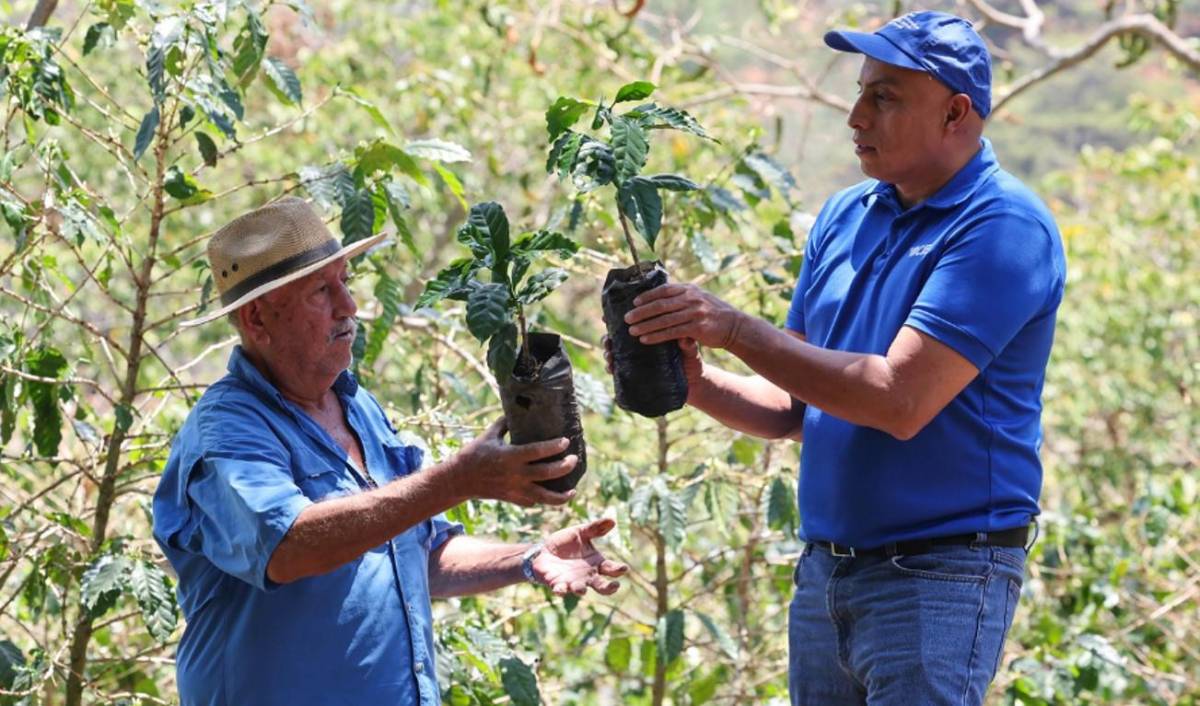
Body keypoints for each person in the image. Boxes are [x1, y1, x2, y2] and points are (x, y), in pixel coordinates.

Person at [614, 11, 1066, 706]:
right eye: (860, 92)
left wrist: (732, 327)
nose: (855, 116)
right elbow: (799, 409)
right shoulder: (847, 216)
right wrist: (694, 380)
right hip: (828, 576)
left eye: (884, 97)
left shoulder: (1002, 227)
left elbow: (896, 401)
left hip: (940, 575)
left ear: (955, 114)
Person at [152, 197, 628, 706]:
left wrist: (529, 559)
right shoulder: (227, 431)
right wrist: (457, 480)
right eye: (320, 291)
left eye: (345, 280)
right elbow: (290, 547)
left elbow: (413, 554)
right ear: (257, 319)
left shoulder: (356, 406)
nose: (348, 306)